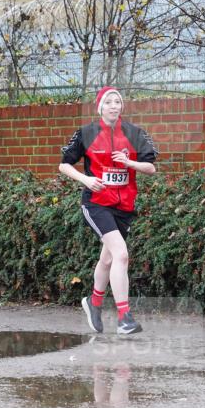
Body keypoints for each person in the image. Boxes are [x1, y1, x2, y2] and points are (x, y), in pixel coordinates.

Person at [59, 87, 157, 335]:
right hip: (96, 202)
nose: (114, 106)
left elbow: (150, 168)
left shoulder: (135, 133)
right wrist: (86, 180)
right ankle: (125, 317)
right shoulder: (86, 133)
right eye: (108, 102)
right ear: (99, 107)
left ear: (121, 107)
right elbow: (64, 165)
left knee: (108, 258)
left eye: (118, 102)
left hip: (124, 206)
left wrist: (129, 163)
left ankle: (94, 302)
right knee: (121, 255)